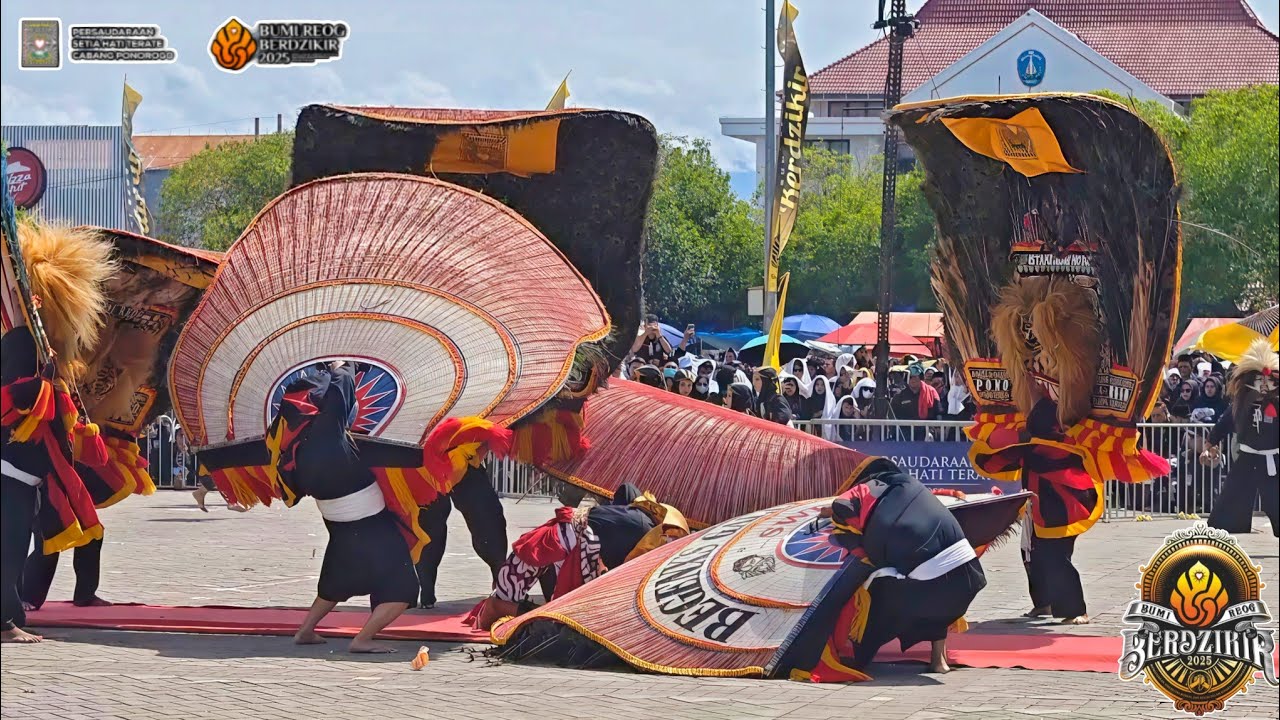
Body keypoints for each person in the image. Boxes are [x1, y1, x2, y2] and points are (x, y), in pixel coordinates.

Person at [278, 361, 419, 653]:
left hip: (339, 523)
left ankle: (305, 631)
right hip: (367, 523)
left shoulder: (290, 440)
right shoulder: (326, 430)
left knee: (337, 577)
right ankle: (362, 639)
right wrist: (344, 366)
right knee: (403, 587)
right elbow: (342, 390)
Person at [819, 458, 986, 674]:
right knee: (936, 586)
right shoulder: (912, 486)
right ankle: (938, 660)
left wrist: (830, 513)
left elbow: (842, 505)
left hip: (927, 581)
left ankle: (860, 659)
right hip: (969, 575)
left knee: (876, 590)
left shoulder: (866, 489)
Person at [469, 484, 688, 630]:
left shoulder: (532, 553)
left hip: (575, 540)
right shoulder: (648, 520)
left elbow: (498, 607)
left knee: (522, 603)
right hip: (593, 539)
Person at [1203, 339, 1279, 537]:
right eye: (1259, 381)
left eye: (1269, 382)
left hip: (1273, 460)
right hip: (1247, 457)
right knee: (1232, 492)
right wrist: (1209, 445)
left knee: (1275, 498)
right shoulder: (1240, 404)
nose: (1264, 385)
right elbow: (1223, 425)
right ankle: (1219, 529)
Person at [414, 464, 508, 609]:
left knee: (487, 518)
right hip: (424, 462)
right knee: (429, 523)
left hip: (464, 460)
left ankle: (501, 582)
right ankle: (426, 589)